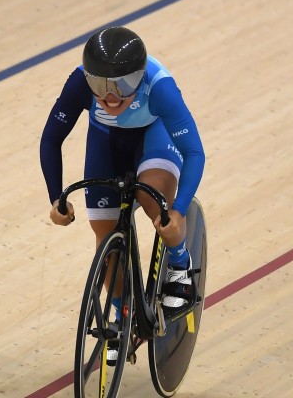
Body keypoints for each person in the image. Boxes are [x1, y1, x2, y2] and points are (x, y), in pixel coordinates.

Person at [39, 26, 204, 356]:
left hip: (152, 138)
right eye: (99, 85)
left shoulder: (160, 90)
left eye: (122, 85)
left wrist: (180, 208)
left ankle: (179, 265)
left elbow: (194, 153)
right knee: (105, 236)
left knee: (153, 199)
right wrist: (56, 197)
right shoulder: (78, 83)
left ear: (140, 78)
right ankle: (122, 313)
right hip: (106, 144)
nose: (110, 96)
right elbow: (50, 139)